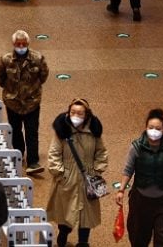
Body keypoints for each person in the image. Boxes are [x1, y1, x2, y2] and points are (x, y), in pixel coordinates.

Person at [46, 98, 108, 247]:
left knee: (85, 216)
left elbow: (101, 152)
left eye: (80, 113)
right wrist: (61, 174)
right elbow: (53, 154)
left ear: (86, 115)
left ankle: (83, 242)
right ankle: (63, 237)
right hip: (68, 178)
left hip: (87, 178)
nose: (75, 115)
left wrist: (97, 170)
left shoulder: (94, 131)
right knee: (65, 214)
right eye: (72, 112)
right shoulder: (62, 131)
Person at [115, 109, 163, 247]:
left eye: (158, 128)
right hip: (141, 202)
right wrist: (121, 190)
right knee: (139, 238)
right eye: (151, 127)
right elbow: (128, 170)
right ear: (146, 128)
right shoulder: (136, 147)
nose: (154, 131)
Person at [0, 30, 49, 174]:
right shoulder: (6, 60)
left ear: (28, 44)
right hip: (13, 103)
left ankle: (33, 162)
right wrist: (11, 91)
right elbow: (0, 77)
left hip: (32, 102)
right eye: (18, 44)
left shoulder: (37, 58)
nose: (21, 46)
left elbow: (43, 75)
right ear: (13, 44)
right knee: (16, 131)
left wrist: (32, 90)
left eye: (23, 44)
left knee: (32, 132)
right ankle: (18, 155)